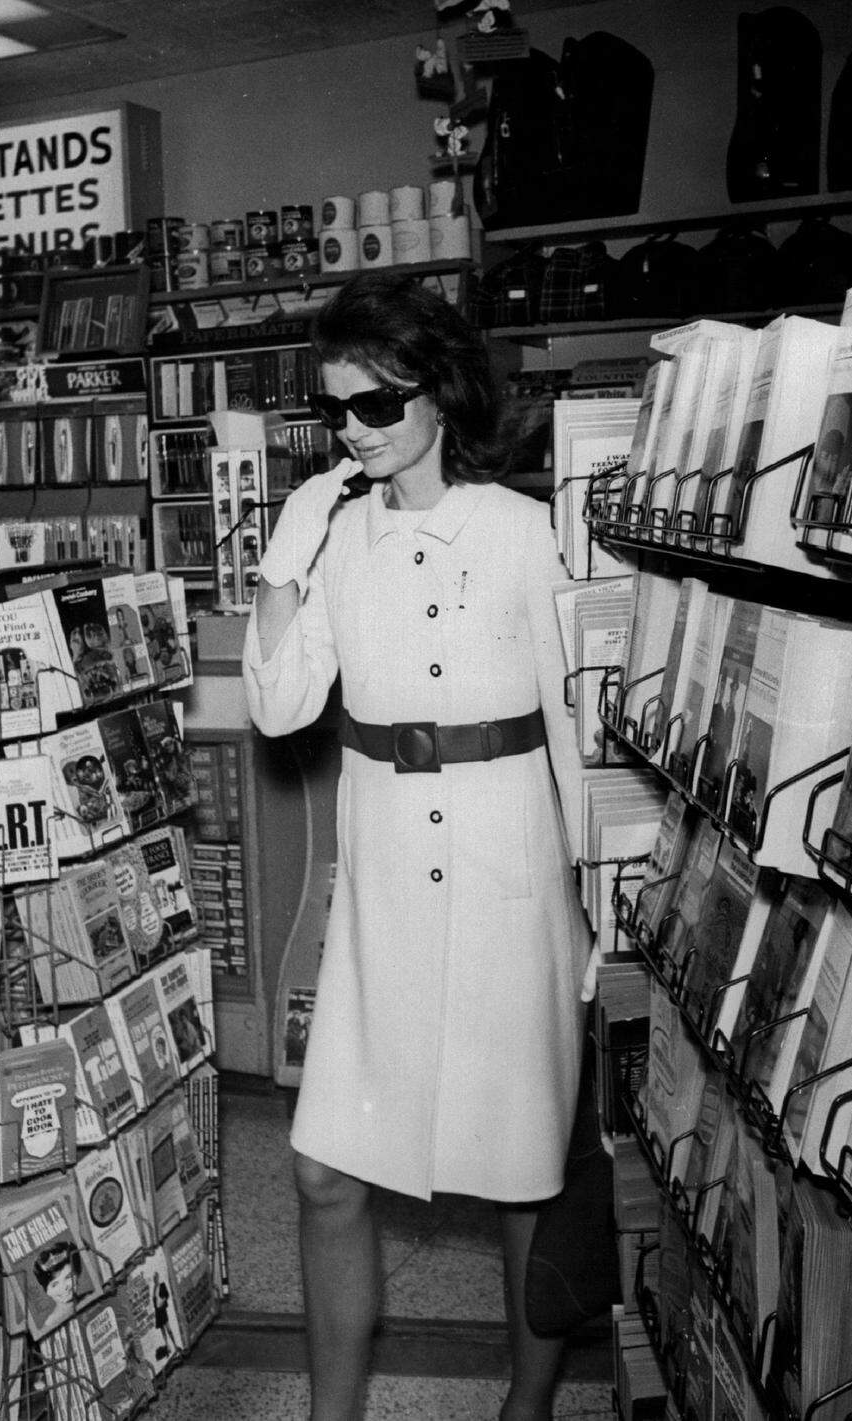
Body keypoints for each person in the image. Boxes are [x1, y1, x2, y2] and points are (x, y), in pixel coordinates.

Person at [242, 270, 592, 1421]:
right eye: (335, 407)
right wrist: (284, 563)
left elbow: (576, 735)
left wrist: (597, 911)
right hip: (385, 889)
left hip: (510, 879)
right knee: (323, 1169)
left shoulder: (526, 534)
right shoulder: (338, 539)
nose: (353, 428)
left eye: (377, 403)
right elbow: (281, 706)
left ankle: (527, 1405)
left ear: (440, 391)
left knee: (525, 1172)